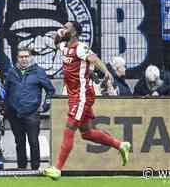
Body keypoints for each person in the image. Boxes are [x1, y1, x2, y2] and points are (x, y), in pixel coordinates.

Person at [43, 21, 131, 180]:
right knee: (87, 133)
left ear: (74, 32)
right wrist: (59, 34)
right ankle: (120, 145)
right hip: (74, 95)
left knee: (69, 128)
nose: (64, 28)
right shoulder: (65, 47)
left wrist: (107, 73)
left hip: (82, 95)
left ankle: (57, 169)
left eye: (67, 27)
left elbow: (95, 59)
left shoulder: (80, 47)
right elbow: (56, 43)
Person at [5, 47, 55, 170]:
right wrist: (5, 109)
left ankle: (35, 168)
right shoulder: (11, 72)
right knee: (19, 142)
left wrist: (45, 106)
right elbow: (5, 91)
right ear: (17, 58)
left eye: (26, 56)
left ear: (31, 57)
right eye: (21, 57)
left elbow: (50, 90)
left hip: (32, 113)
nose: (24, 59)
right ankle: (21, 168)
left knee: (33, 142)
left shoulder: (38, 72)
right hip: (14, 114)